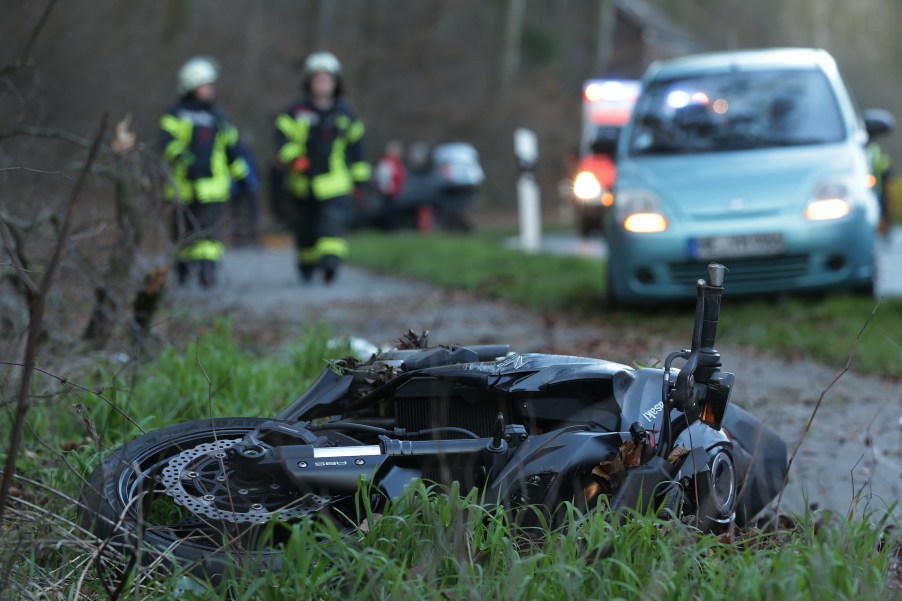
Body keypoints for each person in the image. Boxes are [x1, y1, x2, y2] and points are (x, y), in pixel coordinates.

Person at [274, 51, 370, 283]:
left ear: (336, 83)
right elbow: (281, 140)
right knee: (306, 229)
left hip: (335, 183)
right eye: (319, 80)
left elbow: (357, 150)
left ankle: (331, 263)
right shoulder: (296, 112)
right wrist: (294, 158)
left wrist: (360, 181)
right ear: (309, 82)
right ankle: (307, 266)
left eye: (328, 80)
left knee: (332, 224)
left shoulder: (345, 114)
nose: (323, 85)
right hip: (302, 185)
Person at [160, 56, 249, 287]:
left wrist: (242, 176)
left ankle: (208, 272)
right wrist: (182, 156)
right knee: (182, 231)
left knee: (209, 231)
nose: (210, 89)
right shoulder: (176, 114)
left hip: (213, 187)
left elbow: (231, 149)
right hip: (182, 187)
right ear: (191, 85)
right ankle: (183, 269)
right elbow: (167, 142)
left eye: (211, 85)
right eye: (205, 85)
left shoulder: (218, 116)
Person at [229, 139, 261, 245]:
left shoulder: (238, 153)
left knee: (240, 211)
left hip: (244, 186)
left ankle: (242, 234)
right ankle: (248, 234)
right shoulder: (245, 154)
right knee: (246, 211)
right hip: (246, 186)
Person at [375, 139, 405, 231]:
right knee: (389, 211)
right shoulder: (387, 162)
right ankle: (389, 228)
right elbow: (384, 178)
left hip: (394, 191)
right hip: (389, 192)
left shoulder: (396, 162)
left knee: (393, 211)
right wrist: (388, 188)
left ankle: (392, 227)